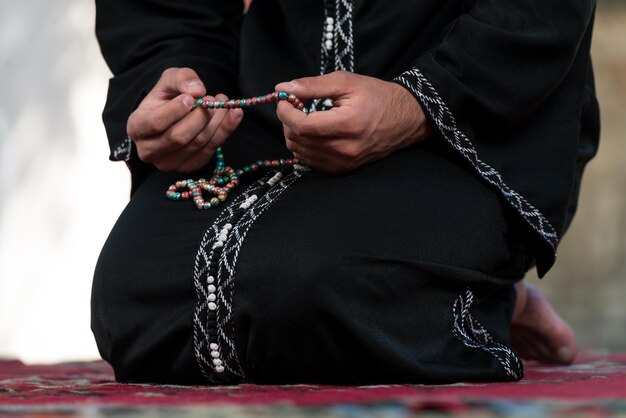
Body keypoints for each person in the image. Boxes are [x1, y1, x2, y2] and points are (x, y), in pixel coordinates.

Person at [91, 0, 597, 385]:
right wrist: (176, 84)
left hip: (462, 119)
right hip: (267, 125)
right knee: (137, 301)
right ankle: (457, 295)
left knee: (314, 285)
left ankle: (478, 297)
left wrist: (414, 104)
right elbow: (164, 13)